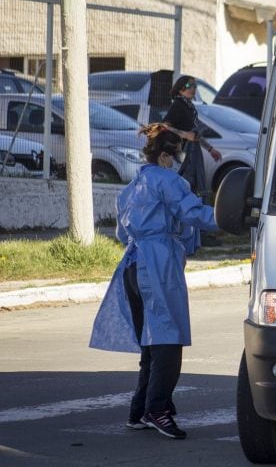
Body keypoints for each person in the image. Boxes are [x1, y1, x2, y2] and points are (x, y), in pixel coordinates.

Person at [89, 123, 220, 440]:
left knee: (151, 342)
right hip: (157, 263)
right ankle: (156, 410)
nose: (177, 163)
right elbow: (193, 214)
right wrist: (230, 217)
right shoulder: (169, 181)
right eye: (176, 157)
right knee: (168, 340)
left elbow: (122, 233)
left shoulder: (132, 185)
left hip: (133, 263)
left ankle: (141, 410)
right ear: (166, 155)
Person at [162, 75, 222, 197]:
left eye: (195, 86)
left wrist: (210, 149)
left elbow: (194, 133)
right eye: (189, 85)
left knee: (193, 186)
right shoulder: (178, 105)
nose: (193, 88)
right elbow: (165, 126)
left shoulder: (189, 106)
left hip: (193, 151)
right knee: (184, 184)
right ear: (180, 88)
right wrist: (185, 135)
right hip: (183, 153)